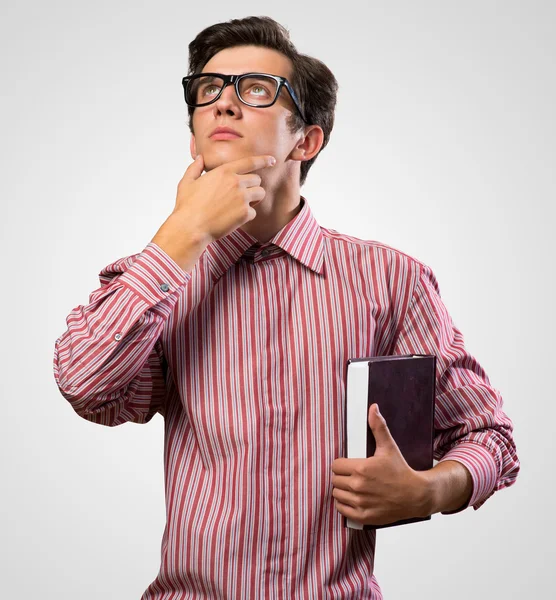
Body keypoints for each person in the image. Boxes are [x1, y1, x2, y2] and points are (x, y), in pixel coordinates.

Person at [53, 15, 520, 599]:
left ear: (306, 140)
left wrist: (428, 491)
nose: (223, 102)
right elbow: (84, 385)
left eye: (254, 90)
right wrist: (182, 234)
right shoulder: (161, 280)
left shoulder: (390, 280)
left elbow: (488, 435)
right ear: (193, 135)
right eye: (208, 90)